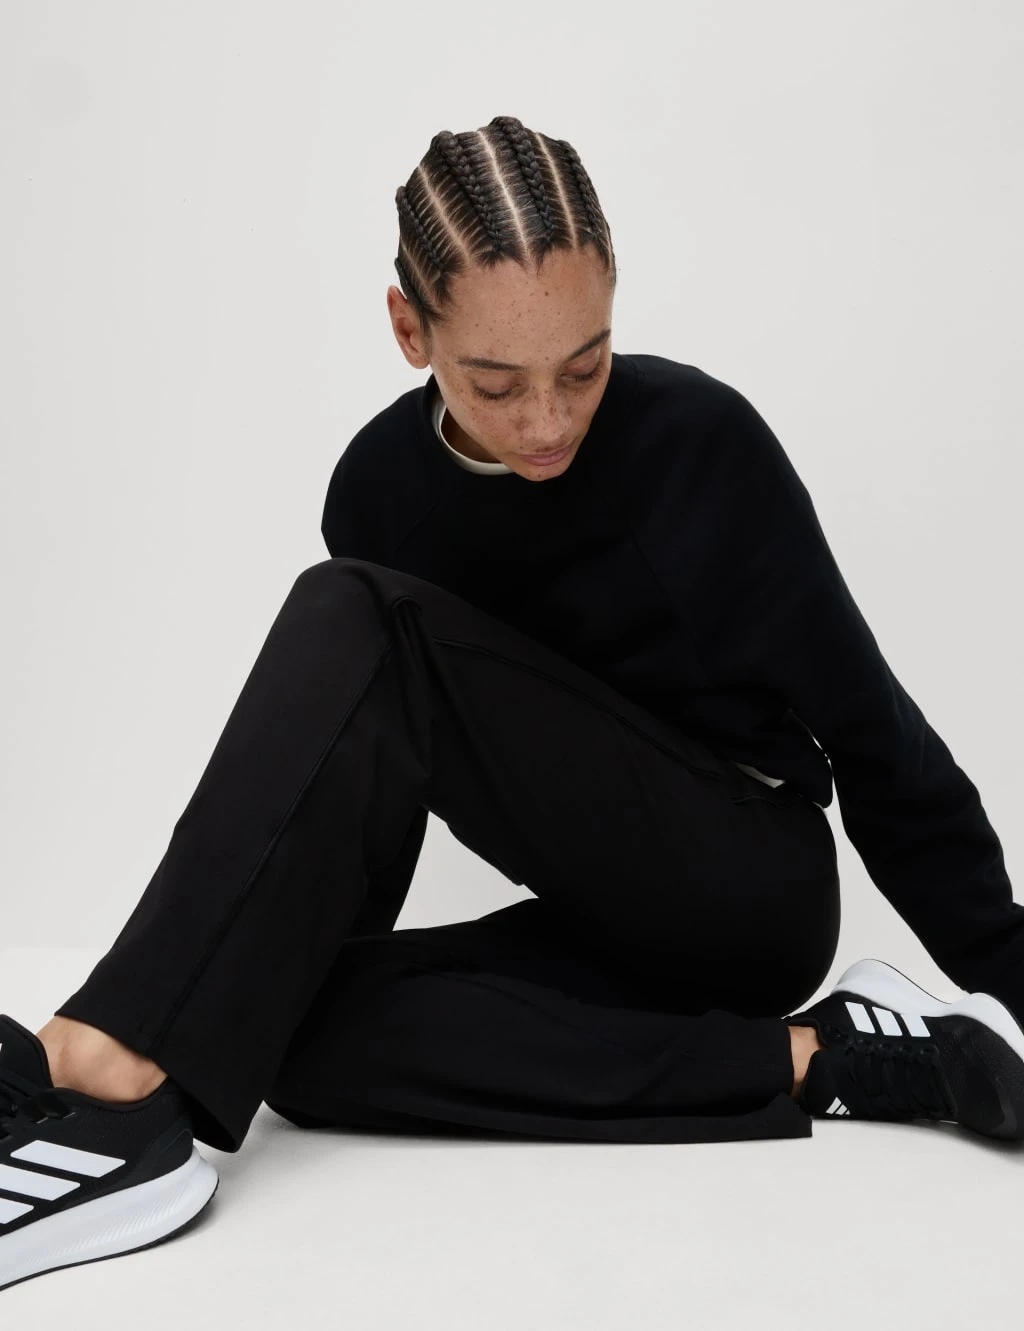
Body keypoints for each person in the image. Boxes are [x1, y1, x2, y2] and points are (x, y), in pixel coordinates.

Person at [3, 113, 1023, 1294]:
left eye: (583, 368)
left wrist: (1010, 970)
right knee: (287, 1041)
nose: (547, 423)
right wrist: (291, 969)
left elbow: (876, 737)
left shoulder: (703, 445)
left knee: (350, 613)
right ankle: (842, 1058)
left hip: (748, 883)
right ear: (409, 330)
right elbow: (368, 763)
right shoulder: (377, 492)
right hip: (597, 915)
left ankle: (100, 1071)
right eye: (497, 382)